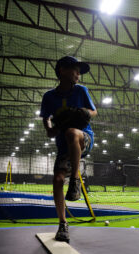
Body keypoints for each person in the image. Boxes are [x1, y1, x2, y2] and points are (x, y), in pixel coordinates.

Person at [40, 56, 97, 243]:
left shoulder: (81, 90)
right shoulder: (49, 97)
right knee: (56, 179)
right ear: (62, 70)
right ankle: (63, 224)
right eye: (75, 70)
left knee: (73, 132)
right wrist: (50, 129)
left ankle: (74, 181)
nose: (78, 74)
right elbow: (46, 118)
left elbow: (94, 111)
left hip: (84, 138)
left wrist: (85, 112)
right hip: (64, 145)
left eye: (79, 71)